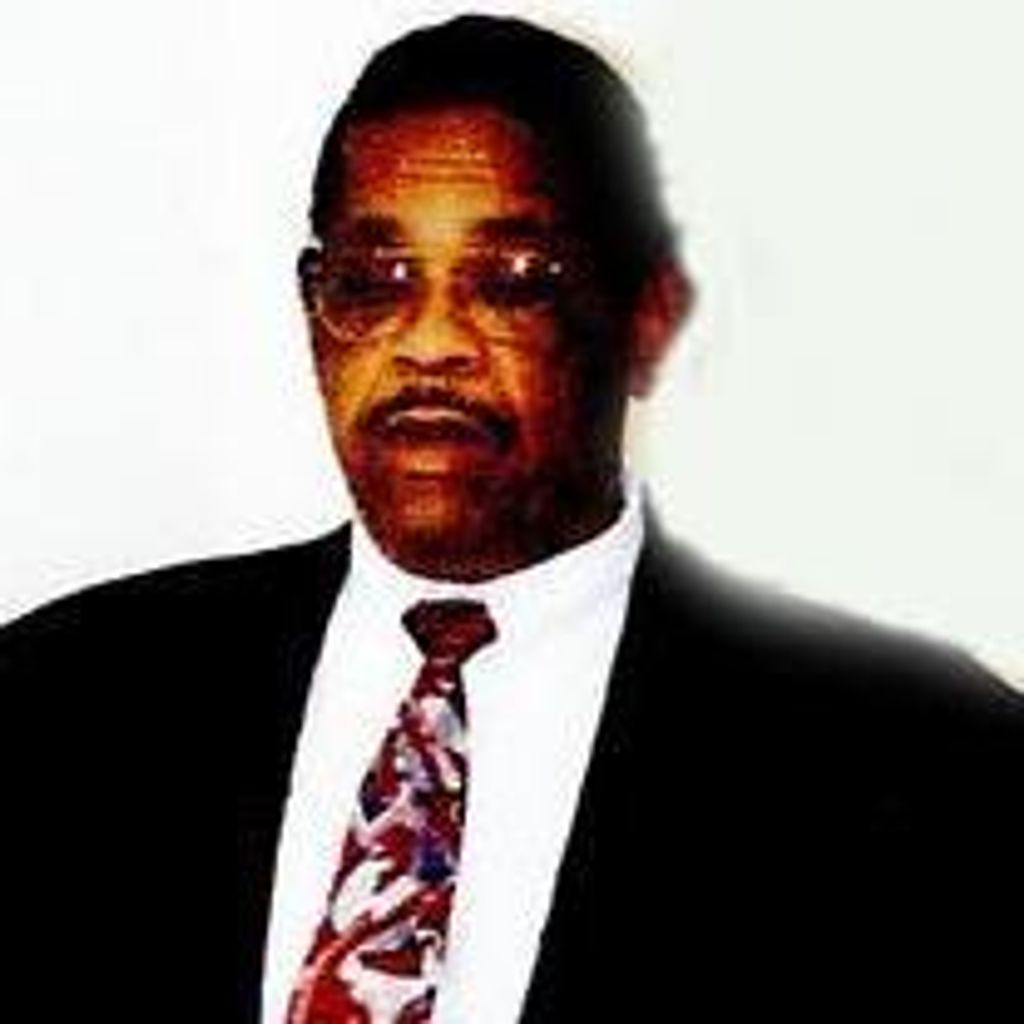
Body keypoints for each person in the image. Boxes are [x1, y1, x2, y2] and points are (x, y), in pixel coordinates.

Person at [1, 14, 1020, 1024]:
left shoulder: (926, 768)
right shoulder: (59, 702)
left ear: (648, 321)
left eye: (511, 283)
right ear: (315, 311)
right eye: (375, 281)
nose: (429, 343)